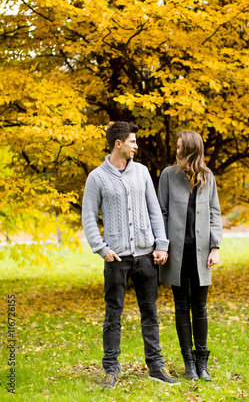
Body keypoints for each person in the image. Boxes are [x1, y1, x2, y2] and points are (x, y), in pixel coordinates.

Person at [82, 121, 180, 388]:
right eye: (133, 142)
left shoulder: (142, 172)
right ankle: (111, 369)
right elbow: (89, 218)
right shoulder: (97, 177)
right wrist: (101, 249)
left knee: (150, 312)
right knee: (113, 314)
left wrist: (161, 245)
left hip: (147, 256)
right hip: (116, 258)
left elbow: (154, 211)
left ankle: (156, 367)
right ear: (118, 144)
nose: (136, 146)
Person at [158, 130, 223, 381]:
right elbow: (161, 212)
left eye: (180, 147)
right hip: (177, 252)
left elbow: (215, 213)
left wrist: (215, 247)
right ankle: (188, 364)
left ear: (192, 149)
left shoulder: (208, 177)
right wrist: (162, 245)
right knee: (181, 306)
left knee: (200, 307)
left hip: (201, 253)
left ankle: (202, 364)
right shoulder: (167, 175)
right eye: (176, 146)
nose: (176, 150)